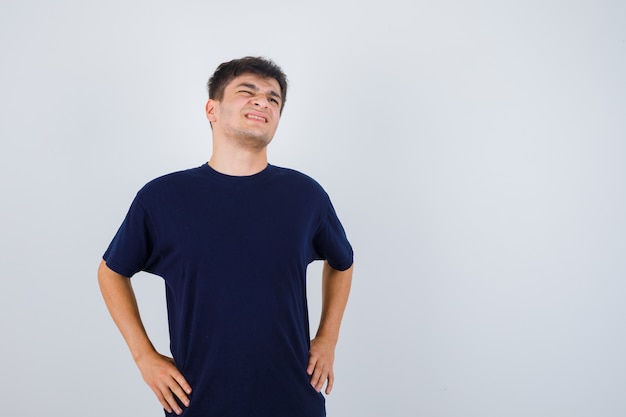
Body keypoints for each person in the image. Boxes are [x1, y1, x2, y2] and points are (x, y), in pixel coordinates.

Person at [97, 56, 354, 417]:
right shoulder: (162, 198)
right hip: (198, 400)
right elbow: (111, 272)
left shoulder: (306, 196)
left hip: (294, 400)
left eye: (273, 98)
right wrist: (145, 357)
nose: (262, 101)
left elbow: (342, 262)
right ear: (211, 110)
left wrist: (328, 338)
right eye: (247, 92)